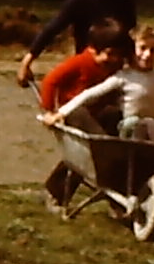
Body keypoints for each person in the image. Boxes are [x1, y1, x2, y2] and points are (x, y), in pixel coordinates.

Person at [15, 0, 137, 92]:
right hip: (87, 67)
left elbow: (130, 38)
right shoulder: (80, 1)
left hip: (116, 70)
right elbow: (52, 30)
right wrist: (27, 62)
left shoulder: (125, 1)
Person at [35, 19, 128, 203]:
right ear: (93, 49)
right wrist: (49, 110)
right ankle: (55, 192)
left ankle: (117, 188)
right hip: (73, 112)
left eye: (119, 55)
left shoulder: (114, 66)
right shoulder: (79, 62)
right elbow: (50, 81)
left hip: (98, 115)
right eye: (110, 54)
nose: (115, 59)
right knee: (92, 151)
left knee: (112, 120)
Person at [65, 28, 154, 144]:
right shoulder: (123, 76)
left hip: (149, 125)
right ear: (132, 49)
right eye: (143, 48)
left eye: (153, 51)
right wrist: (62, 112)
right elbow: (90, 94)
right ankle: (127, 152)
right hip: (127, 126)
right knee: (133, 122)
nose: (147, 55)